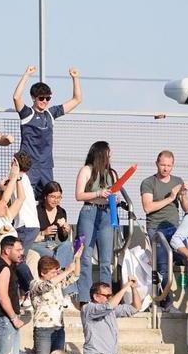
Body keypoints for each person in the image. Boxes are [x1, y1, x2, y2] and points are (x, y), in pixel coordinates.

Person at [12, 65, 81, 194]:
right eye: (41, 98)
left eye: (48, 98)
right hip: (28, 165)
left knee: (50, 196)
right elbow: (16, 97)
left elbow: (77, 100)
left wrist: (75, 78)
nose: (45, 101)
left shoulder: (51, 113)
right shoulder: (27, 113)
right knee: (25, 197)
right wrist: (27, 74)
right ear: (33, 97)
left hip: (46, 166)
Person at [72, 141, 123, 300]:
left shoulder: (112, 173)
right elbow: (79, 195)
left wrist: (116, 199)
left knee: (106, 260)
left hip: (106, 214)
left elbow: (116, 193)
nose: (111, 156)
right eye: (108, 152)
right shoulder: (86, 170)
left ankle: (105, 295)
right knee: (85, 256)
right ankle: (85, 297)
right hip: (89, 211)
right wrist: (98, 193)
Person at [27, 252, 81, 354]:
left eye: (57, 271)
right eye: (53, 272)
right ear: (42, 273)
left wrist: (76, 258)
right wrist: (67, 270)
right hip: (43, 330)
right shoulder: (35, 284)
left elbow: (75, 276)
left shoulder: (57, 283)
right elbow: (47, 286)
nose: (56, 274)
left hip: (59, 328)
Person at [141, 150, 188, 303]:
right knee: (163, 264)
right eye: (163, 165)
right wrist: (171, 197)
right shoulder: (149, 182)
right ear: (157, 163)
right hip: (156, 228)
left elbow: (187, 208)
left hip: (174, 227)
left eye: (169, 166)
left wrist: (183, 194)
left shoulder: (177, 180)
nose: (166, 168)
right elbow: (148, 207)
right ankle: (164, 300)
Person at [81, 278, 142, 354]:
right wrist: (124, 289)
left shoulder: (111, 310)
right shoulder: (88, 308)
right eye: (107, 296)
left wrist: (133, 288)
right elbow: (108, 306)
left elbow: (135, 307)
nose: (110, 298)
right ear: (96, 296)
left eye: (111, 295)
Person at [33, 182, 75, 270]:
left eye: (59, 197)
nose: (56, 200)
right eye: (52, 197)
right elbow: (29, 236)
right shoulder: (36, 211)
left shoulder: (61, 212)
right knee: (56, 254)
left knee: (68, 244)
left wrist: (64, 231)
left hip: (53, 244)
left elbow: (62, 238)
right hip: (38, 243)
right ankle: (60, 275)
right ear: (45, 196)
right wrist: (43, 233)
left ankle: (58, 273)